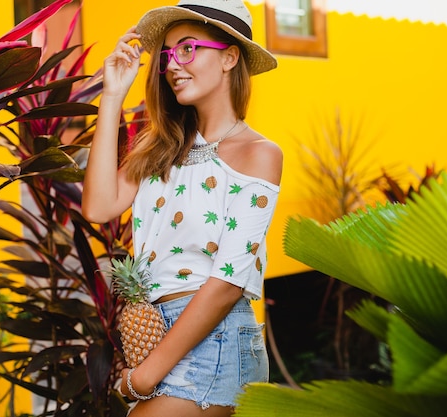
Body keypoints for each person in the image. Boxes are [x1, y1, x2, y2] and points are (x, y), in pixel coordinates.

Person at [81, 0, 282, 415]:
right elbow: (98, 207)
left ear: (229, 57)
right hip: (156, 332)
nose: (173, 64)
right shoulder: (161, 149)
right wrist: (111, 97)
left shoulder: (258, 154)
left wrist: (145, 376)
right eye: (168, 54)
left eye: (188, 48)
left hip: (215, 339)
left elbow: (226, 284)